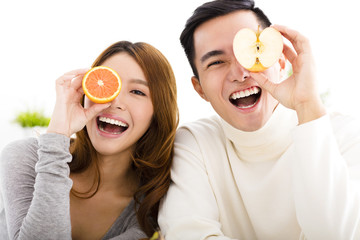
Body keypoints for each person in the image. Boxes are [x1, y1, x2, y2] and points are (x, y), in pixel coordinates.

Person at [158, 0, 360, 239]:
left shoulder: (344, 135)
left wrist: (307, 106)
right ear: (199, 88)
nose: (240, 73)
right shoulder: (195, 144)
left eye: (254, 51)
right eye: (217, 62)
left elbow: (335, 234)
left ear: (281, 62)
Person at [0, 40, 178, 239]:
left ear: (158, 112)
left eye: (137, 92)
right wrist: (58, 133)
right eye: (105, 84)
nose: (114, 101)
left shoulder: (147, 208)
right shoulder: (25, 157)